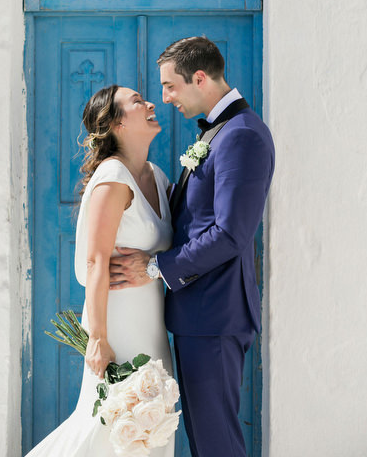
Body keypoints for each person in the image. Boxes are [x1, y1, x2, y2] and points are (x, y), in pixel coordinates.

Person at [110, 37, 275, 457]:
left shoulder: (242, 136)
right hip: (200, 315)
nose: (164, 99)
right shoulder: (220, 133)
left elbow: (231, 235)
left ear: (199, 78)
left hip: (215, 315)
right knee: (206, 440)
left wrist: (154, 268)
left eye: (170, 86)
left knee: (216, 442)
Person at [26, 85, 175, 456]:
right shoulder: (113, 176)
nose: (151, 103)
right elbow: (95, 259)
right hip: (118, 325)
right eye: (138, 102)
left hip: (150, 325)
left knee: (151, 429)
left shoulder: (156, 176)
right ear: (115, 124)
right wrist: (98, 338)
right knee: (109, 427)